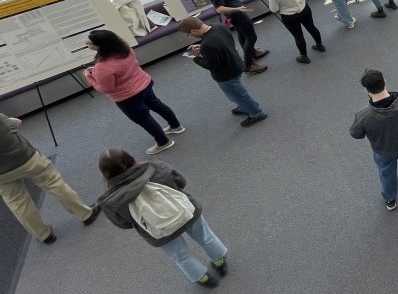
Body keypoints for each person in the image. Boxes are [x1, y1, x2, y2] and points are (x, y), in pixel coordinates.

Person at [96, 148, 228, 288]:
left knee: (181, 256)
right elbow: (181, 182)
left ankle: (204, 278)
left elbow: (123, 223)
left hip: (158, 231)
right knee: (205, 237)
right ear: (130, 159)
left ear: (106, 174)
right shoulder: (156, 167)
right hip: (186, 213)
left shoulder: (110, 201)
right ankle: (220, 262)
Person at [0, 113, 99, 245]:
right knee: (54, 183)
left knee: (18, 203)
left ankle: (44, 235)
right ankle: (86, 214)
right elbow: (17, 123)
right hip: (24, 157)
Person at [84, 29, 184, 154]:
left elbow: (106, 88)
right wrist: (97, 71)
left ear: (101, 46)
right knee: (157, 105)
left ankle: (163, 142)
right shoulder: (124, 48)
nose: (87, 44)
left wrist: (90, 77)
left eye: (90, 43)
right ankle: (176, 126)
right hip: (144, 84)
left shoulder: (103, 66)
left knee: (144, 119)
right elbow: (121, 68)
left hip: (128, 97)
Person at [350, 69, 398, 210]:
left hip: (383, 150)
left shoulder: (363, 115)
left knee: (386, 173)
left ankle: (390, 200)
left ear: (367, 90)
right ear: (384, 82)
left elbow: (356, 134)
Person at [179, 16, 268, 127]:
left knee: (240, 95)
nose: (190, 36)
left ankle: (257, 114)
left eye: (188, 34)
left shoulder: (208, 44)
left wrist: (196, 58)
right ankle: (243, 107)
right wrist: (201, 46)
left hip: (226, 74)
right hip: (236, 63)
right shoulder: (219, 26)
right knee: (236, 92)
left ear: (193, 30)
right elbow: (220, 42)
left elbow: (211, 65)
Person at [201, 0, 268, 74]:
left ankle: (252, 53)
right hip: (236, 13)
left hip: (236, 12)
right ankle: (248, 65)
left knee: (243, 35)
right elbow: (219, 8)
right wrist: (238, 9)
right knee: (251, 37)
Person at [266, 0, 324, 64]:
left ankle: (304, 57)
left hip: (288, 17)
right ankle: (320, 45)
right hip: (304, 9)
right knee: (311, 27)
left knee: (298, 36)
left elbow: (274, 9)